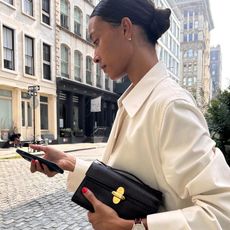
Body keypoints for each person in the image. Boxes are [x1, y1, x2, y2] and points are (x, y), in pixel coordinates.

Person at [30, 0, 230, 229]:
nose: (94, 56)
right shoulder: (134, 101)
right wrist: (70, 163)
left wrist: (132, 226)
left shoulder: (170, 105)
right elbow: (129, 182)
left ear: (126, 28)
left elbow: (222, 211)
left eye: (97, 41)